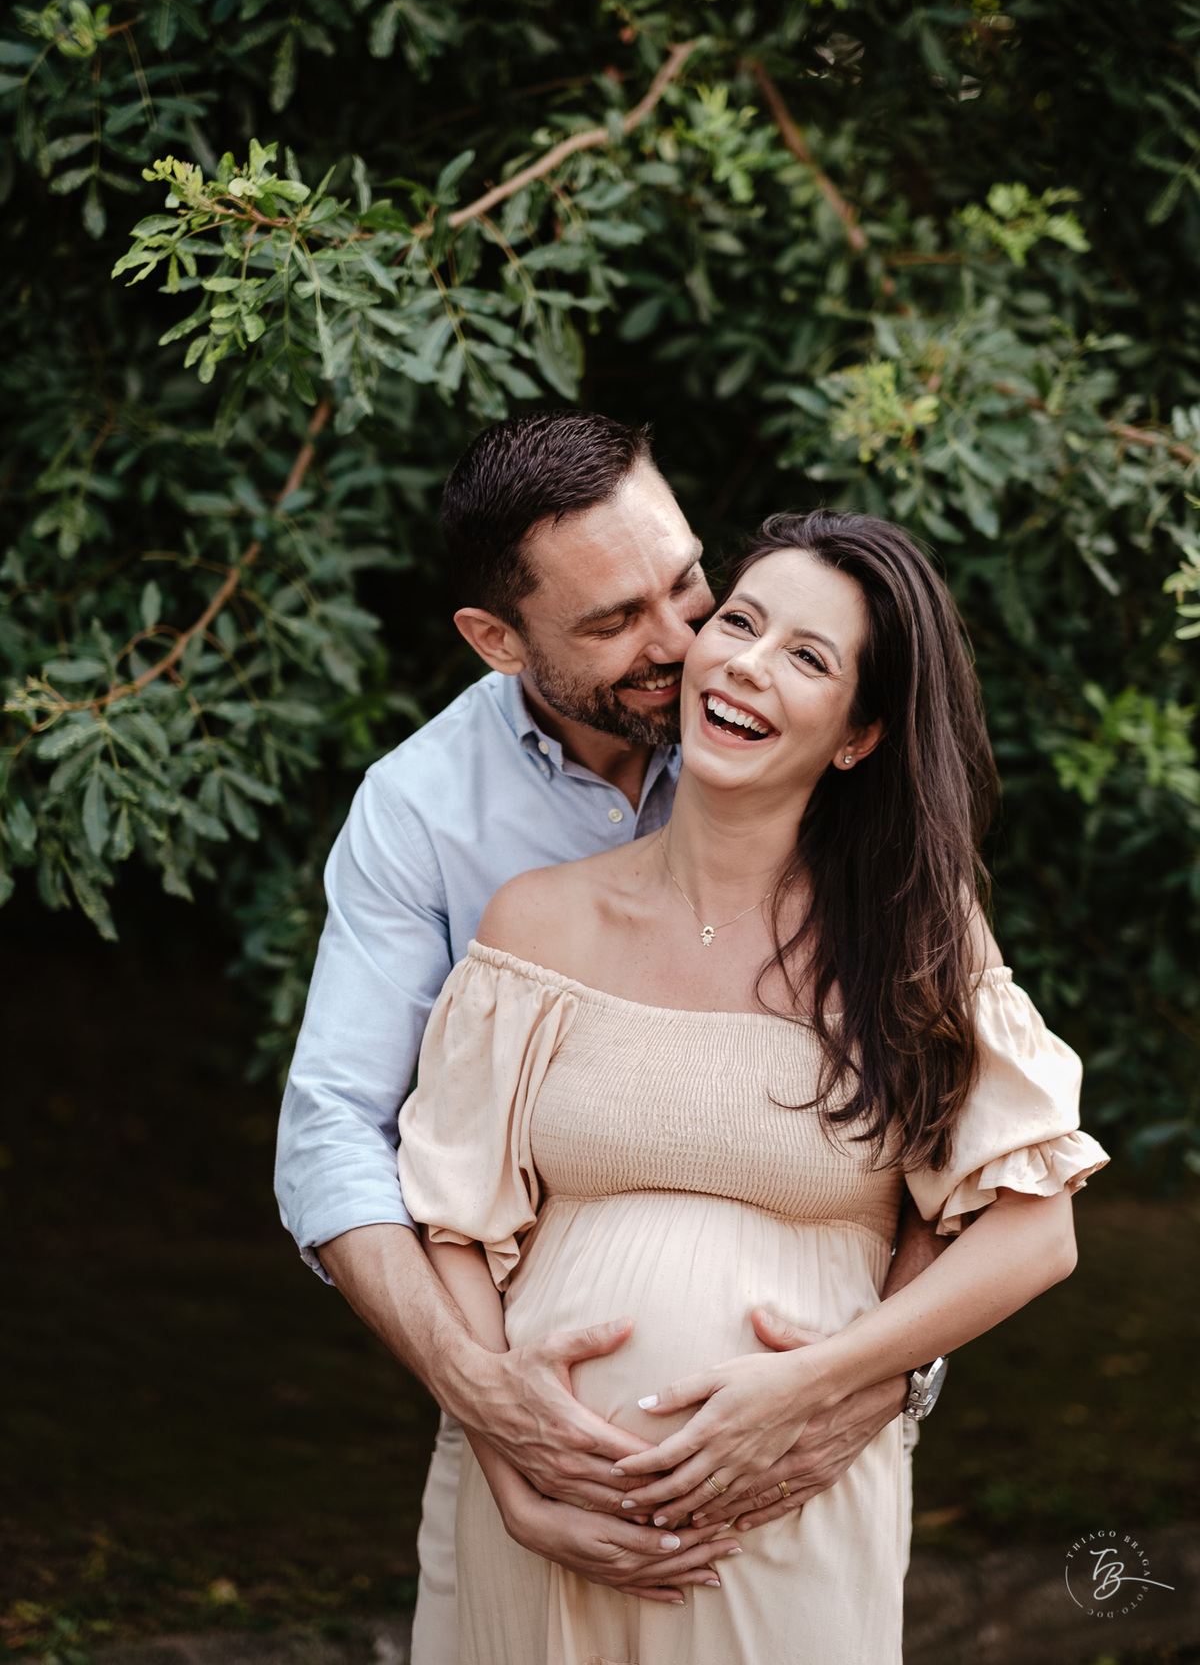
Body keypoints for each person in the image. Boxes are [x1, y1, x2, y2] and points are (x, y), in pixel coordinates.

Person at [274, 417, 941, 1662]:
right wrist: (490, 1414)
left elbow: (956, 1142)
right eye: (614, 620)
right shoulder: (421, 813)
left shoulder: (802, 756)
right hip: (526, 1475)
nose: (690, 645)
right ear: (496, 639)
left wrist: (878, 1384)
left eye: (689, 582)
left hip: (791, 1487)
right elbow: (334, 1140)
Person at [396, 508, 1110, 1665]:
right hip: (534, 1514)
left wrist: (822, 1386)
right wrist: (508, 1437)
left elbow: (1036, 1236)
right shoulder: (537, 920)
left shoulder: (912, 943)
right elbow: (452, 1218)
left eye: (809, 657)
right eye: (741, 621)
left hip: (780, 1513)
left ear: (857, 735)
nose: (747, 664)